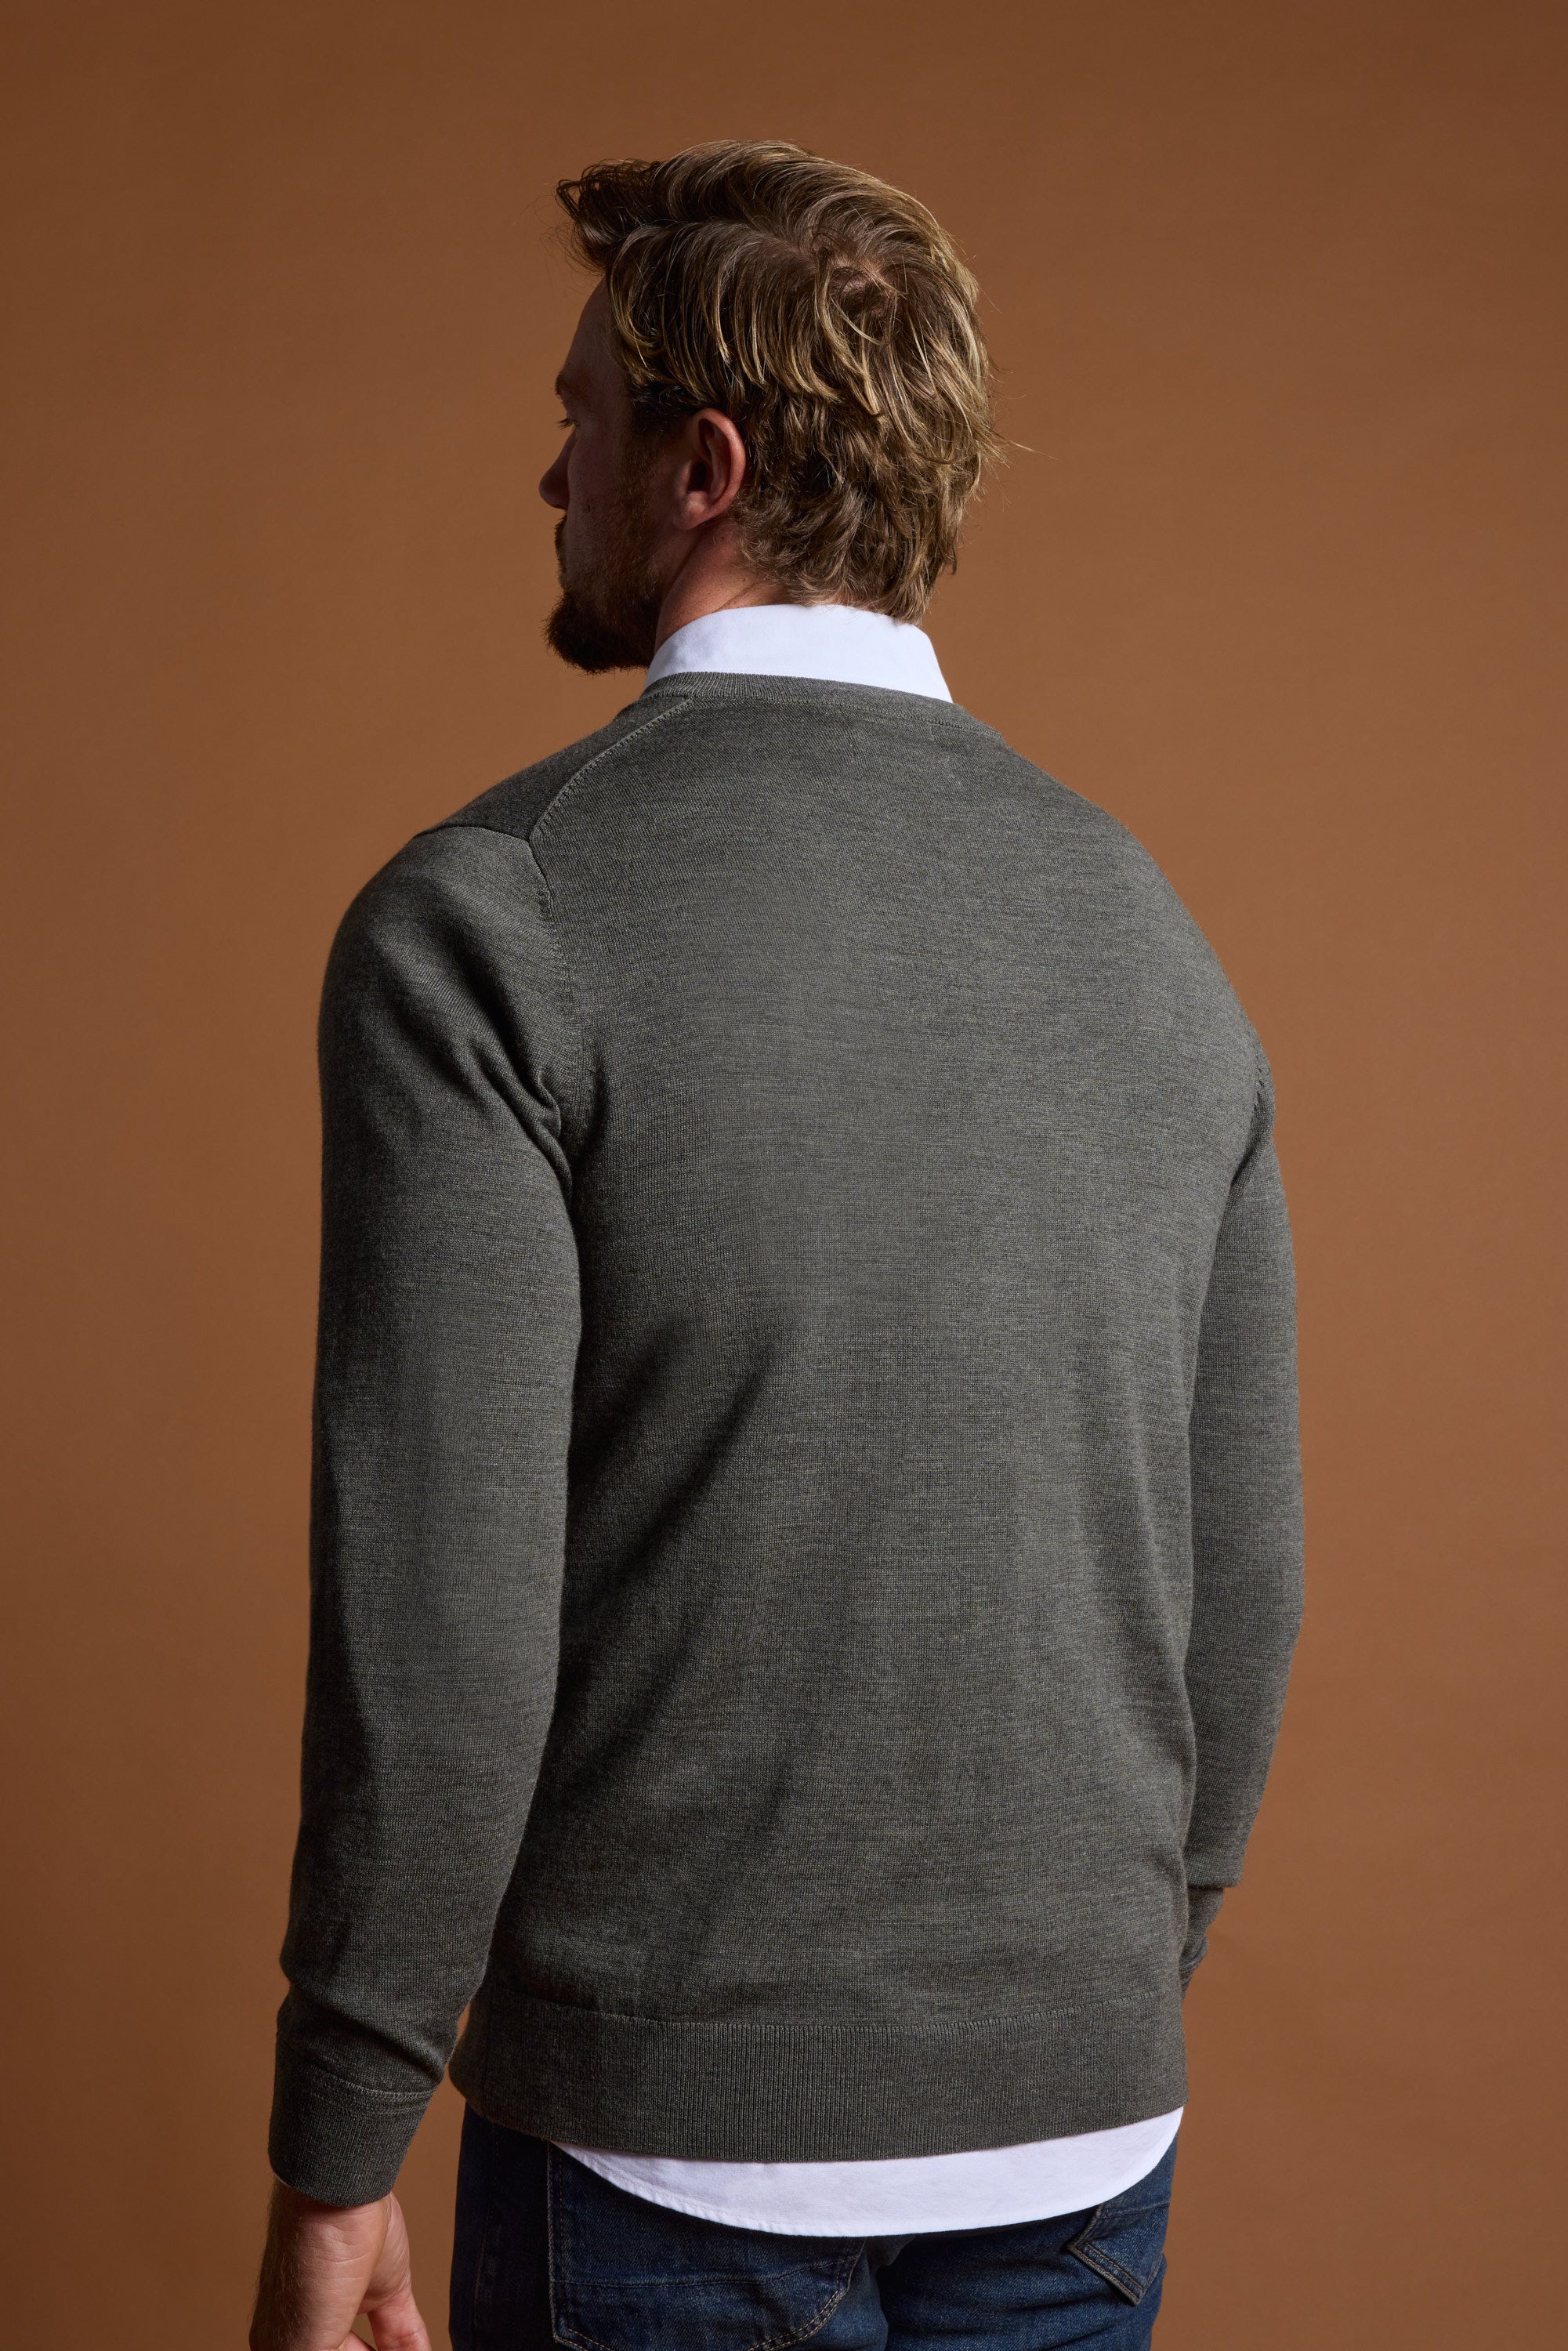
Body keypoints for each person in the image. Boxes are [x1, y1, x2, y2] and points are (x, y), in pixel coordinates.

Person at [249, 140, 1304, 2351]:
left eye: (581, 416)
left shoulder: (496, 919)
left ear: (701, 463)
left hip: (667, 2152)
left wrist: (339, 2151)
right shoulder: (1144, 930)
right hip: (1086, 2145)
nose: (548, 471)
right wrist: (1088, 1995)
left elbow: (439, 1625)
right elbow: (1243, 1581)